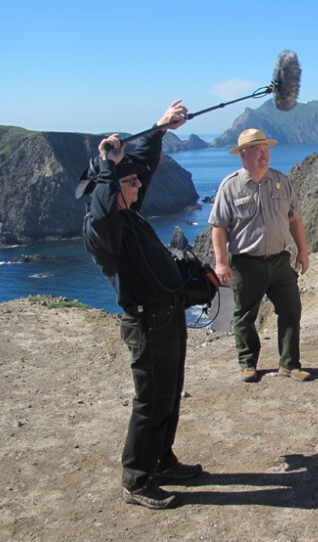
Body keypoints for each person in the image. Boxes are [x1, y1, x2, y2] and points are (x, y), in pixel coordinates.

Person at [76, 99, 202, 510]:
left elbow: (142, 169)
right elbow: (102, 209)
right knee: (150, 401)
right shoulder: (104, 228)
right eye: (129, 184)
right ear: (113, 190)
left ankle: (162, 461)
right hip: (146, 323)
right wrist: (108, 168)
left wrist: (159, 129)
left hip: (168, 317)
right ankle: (137, 478)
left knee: (169, 393)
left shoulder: (129, 213)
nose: (139, 186)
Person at [208, 128, 311, 383]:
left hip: (279, 260)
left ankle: (290, 364)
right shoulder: (230, 186)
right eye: (258, 151)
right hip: (245, 264)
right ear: (244, 156)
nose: (264, 155)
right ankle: (248, 363)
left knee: (291, 309)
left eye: (266, 150)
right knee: (245, 316)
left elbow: (295, 218)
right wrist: (220, 263)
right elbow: (218, 227)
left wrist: (302, 251)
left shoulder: (281, 180)